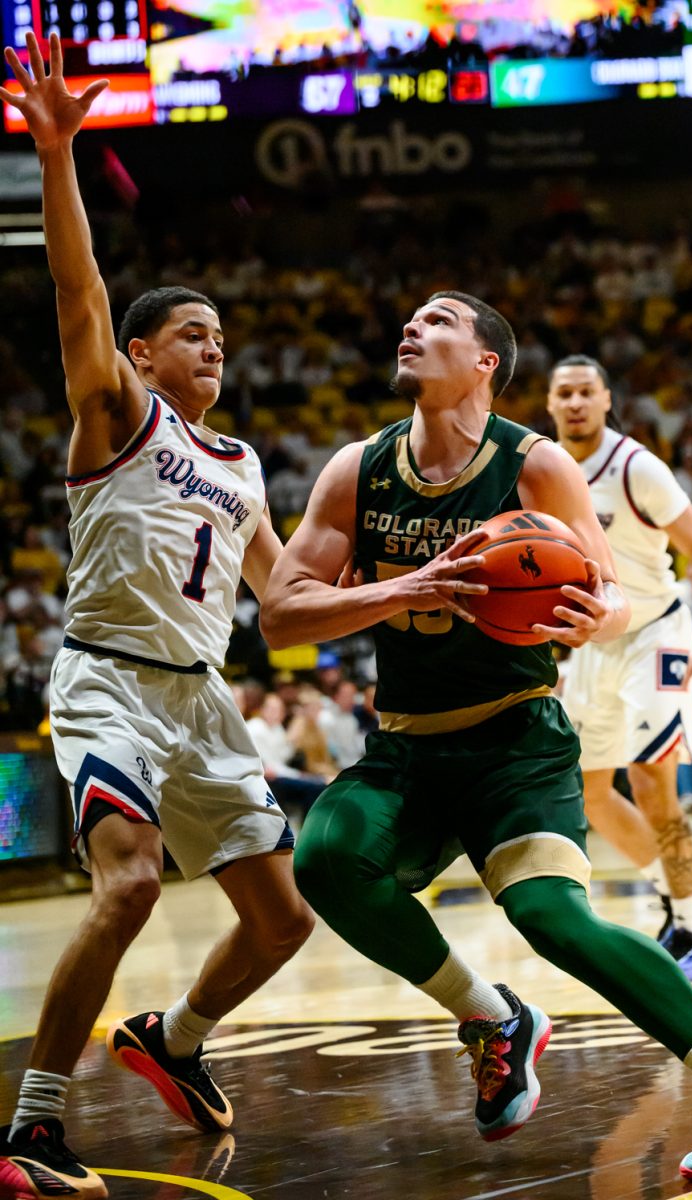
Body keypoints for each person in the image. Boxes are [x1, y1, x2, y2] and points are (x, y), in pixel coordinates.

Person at [262, 290, 692, 1181]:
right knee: (323, 863)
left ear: (486, 363)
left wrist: (597, 615)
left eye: (439, 321)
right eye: (410, 319)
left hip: (516, 741)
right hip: (406, 747)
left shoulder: (535, 463)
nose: (412, 327)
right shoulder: (355, 470)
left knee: (551, 916)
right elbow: (281, 616)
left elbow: (610, 590)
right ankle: (490, 1016)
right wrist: (406, 589)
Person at [0, 34, 314, 1200]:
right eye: (194, 334)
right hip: (108, 681)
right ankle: (33, 1125)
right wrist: (58, 152)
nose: (214, 349)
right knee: (127, 885)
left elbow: (288, 603)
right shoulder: (114, 413)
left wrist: (422, 583)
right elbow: (76, 288)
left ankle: (171, 1041)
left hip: (203, 699)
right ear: (140, 353)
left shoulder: (239, 463)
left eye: (222, 340)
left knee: (282, 924)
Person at [547, 355, 692, 980]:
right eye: (563, 393)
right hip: (595, 643)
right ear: (550, 405)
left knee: (652, 781)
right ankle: (682, 889)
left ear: (604, 400)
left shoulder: (635, 467)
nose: (574, 403)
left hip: (657, 634)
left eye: (584, 392)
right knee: (590, 792)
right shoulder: (544, 470)